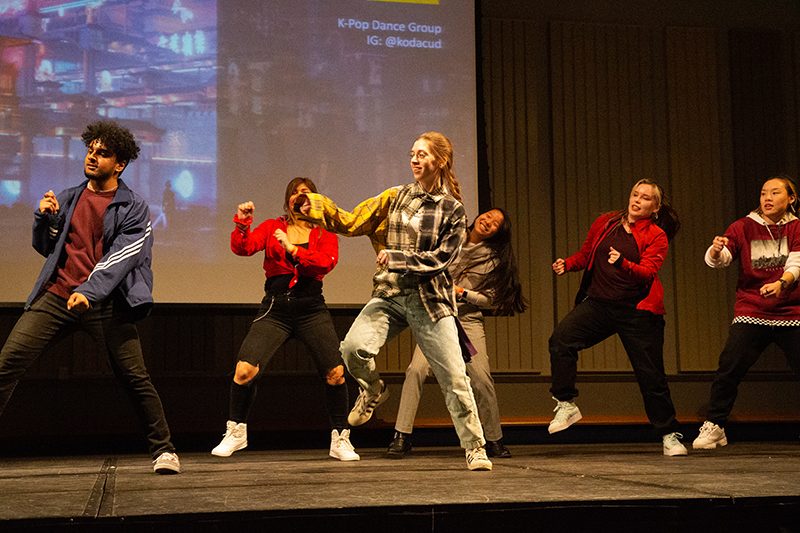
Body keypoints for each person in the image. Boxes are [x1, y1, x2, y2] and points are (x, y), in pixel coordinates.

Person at [297, 131, 493, 471]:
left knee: (455, 377)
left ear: (440, 161)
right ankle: (372, 390)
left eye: (422, 154)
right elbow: (351, 220)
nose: (414, 160)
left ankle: (475, 447)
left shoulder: (453, 210)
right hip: (391, 295)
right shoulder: (395, 197)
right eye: (412, 154)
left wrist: (398, 258)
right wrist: (314, 205)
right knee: (351, 349)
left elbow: (442, 260)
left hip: (430, 301)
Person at [0, 120, 180, 474]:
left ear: (121, 164)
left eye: (103, 153)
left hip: (107, 304)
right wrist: (44, 218)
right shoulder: (69, 197)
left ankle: (164, 450)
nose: (93, 157)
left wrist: (88, 291)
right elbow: (46, 248)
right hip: (57, 296)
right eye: (91, 150)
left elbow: (122, 258)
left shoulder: (134, 207)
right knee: (6, 365)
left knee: (134, 377)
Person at [211, 177, 359, 461]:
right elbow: (242, 248)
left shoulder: (324, 233)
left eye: (307, 192)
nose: (301, 196)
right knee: (244, 371)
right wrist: (242, 224)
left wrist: (293, 249)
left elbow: (325, 263)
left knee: (336, 374)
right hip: (276, 307)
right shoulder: (272, 227)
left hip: (311, 307)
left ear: (315, 200)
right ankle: (236, 432)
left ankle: (340, 438)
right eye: (295, 193)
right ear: (288, 200)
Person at [548, 178, 687, 456]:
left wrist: (622, 263)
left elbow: (648, 272)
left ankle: (669, 434)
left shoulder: (656, 235)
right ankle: (567, 404)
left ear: (655, 207)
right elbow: (587, 254)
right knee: (561, 340)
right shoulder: (606, 222)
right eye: (635, 194)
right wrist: (569, 264)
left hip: (638, 311)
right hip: (600, 305)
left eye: (646, 198)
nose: (637, 200)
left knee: (651, 376)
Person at [386, 207, 527, 459]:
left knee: (482, 380)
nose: (488, 221)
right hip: (436, 318)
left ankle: (494, 439)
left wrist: (463, 293)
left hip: (467, 320)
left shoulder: (494, 260)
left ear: (497, 233)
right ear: (477, 217)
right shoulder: (450, 240)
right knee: (416, 370)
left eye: (495, 223)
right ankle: (401, 436)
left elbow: (491, 300)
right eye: (487, 216)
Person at [693, 175, 800, 450]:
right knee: (730, 366)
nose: (767, 197)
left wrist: (781, 283)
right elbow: (722, 258)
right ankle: (715, 425)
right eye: (764, 192)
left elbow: (797, 263)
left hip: (792, 311)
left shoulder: (797, 228)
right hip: (752, 309)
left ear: (791, 198)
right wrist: (716, 251)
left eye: (775, 193)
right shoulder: (743, 226)